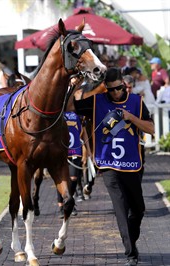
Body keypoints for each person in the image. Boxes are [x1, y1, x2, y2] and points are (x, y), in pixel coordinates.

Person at [74, 67, 154, 266]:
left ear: (124, 85)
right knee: (120, 206)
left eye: (118, 88)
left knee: (138, 209)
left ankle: (131, 241)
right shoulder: (97, 101)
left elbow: (151, 129)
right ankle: (131, 253)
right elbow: (71, 107)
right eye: (111, 90)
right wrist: (72, 86)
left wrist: (131, 118)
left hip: (133, 163)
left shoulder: (136, 102)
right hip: (108, 163)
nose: (115, 93)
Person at [57, 110, 84, 218]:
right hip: (60, 152)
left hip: (75, 151)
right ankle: (61, 205)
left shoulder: (75, 114)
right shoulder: (57, 114)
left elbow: (81, 130)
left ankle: (70, 201)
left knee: (73, 178)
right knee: (60, 179)